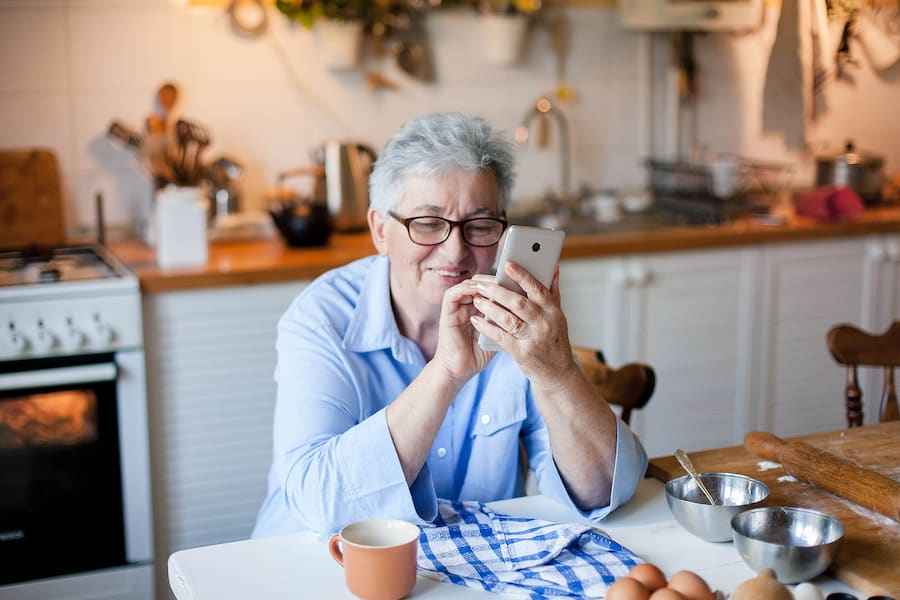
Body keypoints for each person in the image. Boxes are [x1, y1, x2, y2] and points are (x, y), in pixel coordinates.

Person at [251, 112, 647, 538]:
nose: (455, 251)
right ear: (380, 230)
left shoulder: (515, 320)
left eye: (479, 225)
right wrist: (446, 372)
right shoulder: (321, 320)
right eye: (427, 223)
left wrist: (557, 372)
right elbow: (318, 503)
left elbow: (608, 490)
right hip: (310, 562)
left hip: (465, 570)